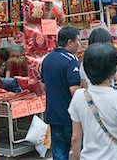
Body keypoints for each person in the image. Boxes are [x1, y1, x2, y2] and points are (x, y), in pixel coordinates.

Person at [41, 26, 82, 159]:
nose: (79, 44)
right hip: (69, 115)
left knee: (59, 153)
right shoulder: (71, 61)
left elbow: (43, 86)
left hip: (52, 114)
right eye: (78, 41)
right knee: (78, 149)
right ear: (70, 42)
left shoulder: (46, 59)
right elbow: (74, 91)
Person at [80, 28, 117, 99]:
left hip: (93, 101)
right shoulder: (114, 59)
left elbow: (85, 86)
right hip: (111, 99)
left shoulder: (84, 62)